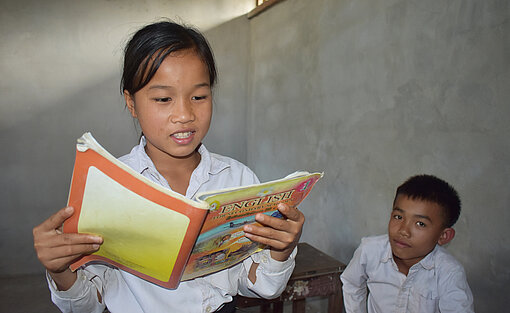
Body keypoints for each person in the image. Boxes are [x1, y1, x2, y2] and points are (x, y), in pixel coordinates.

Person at [32, 20, 304, 313]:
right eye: (163, 99)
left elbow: (260, 286)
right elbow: (87, 305)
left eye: (199, 96)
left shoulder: (238, 179)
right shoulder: (108, 188)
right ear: (132, 103)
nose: (184, 114)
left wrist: (281, 250)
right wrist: (60, 271)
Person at [341, 174, 474, 313]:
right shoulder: (370, 250)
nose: (403, 230)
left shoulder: (448, 273)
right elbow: (351, 283)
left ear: (443, 236)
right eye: (398, 217)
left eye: (420, 224)